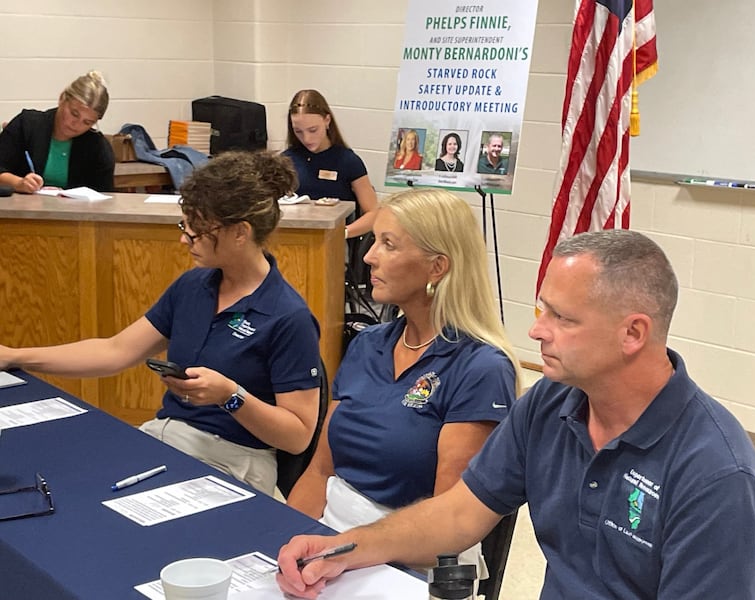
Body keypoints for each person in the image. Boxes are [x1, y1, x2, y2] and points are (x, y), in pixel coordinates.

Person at [276, 228, 755, 599]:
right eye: (543, 310)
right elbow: (458, 513)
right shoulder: (552, 402)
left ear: (633, 334)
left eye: (562, 318)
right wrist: (345, 548)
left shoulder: (718, 476)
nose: (537, 332)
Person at [0, 151, 322, 497]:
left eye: (196, 230)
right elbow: (115, 350)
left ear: (240, 233)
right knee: (67, 480)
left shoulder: (288, 317)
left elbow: (298, 435)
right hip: (168, 439)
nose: (185, 239)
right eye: (185, 225)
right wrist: (15, 356)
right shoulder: (193, 287)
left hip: (235, 460)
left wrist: (231, 396)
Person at [286, 187, 520, 577]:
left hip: (408, 558)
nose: (368, 257)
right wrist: (284, 542)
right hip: (329, 540)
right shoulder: (367, 344)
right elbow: (320, 472)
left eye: (388, 245)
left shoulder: (481, 368)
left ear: (437, 267)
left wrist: (342, 554)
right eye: (374, 241)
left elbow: (447, 527)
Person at [0, 70, 115, 193]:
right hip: (18, 209)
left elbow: (105, 197)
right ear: (62, 98)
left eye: (87, 122)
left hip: (73, 211)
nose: (76, 125)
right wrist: (18, 183)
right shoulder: (27, 125)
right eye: (74, 114)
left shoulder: (98, 147)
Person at [284, 89, 378, 240]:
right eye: (298, 131)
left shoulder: (347, 161)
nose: (307, 138)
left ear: (327, 120)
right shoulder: (286, 161)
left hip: (337, 241)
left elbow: (374, 213)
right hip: (293, 241)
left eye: (313, 130)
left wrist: (343, 233)